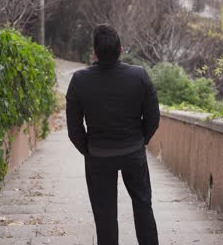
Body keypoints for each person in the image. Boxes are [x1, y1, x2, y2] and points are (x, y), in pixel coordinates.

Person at [66, 24, 160, 245]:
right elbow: (153, 117)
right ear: (121, 49)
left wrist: (89, 150)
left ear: (94, 52)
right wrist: (140, 141)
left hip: (98, 156)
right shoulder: (139, 76)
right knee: (143, 205)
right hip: (133, 152)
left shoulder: (79, 80)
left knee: (105, 214)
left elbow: (74, 129)